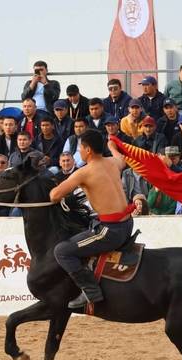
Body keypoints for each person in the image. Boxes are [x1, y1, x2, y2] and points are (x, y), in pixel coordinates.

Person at [50, 130, 134, 308]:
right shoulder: (113, 162)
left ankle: (91, 291)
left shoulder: (84, 172)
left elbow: (54, 195)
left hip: (110, 231)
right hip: (127, 224)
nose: (79, 151)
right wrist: (113, 146)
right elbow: (122, 158)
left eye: (80, 147)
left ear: (88, 150)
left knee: (62, 251)